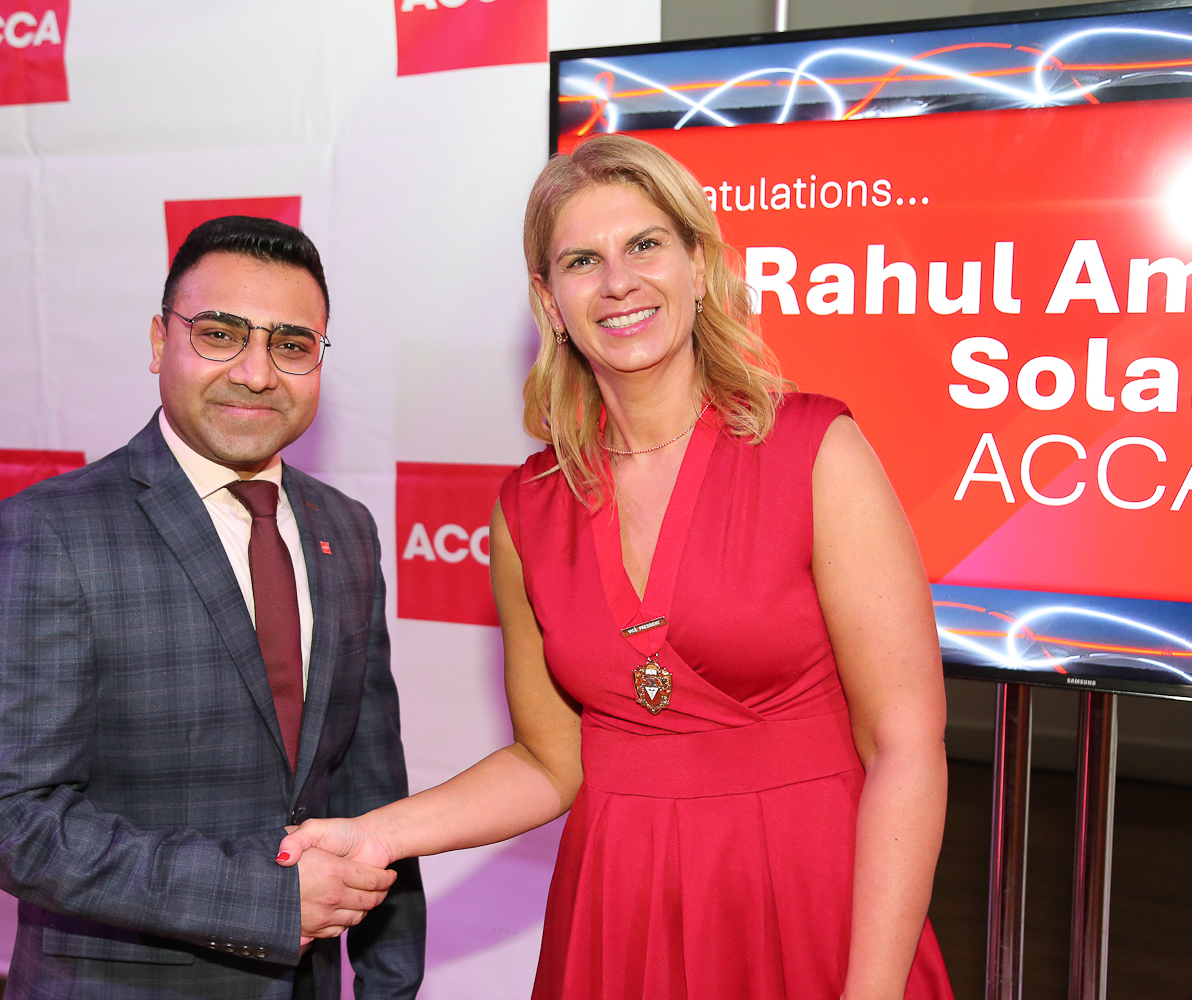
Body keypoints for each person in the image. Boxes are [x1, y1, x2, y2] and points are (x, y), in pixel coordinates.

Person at [276, 135, 953, 999]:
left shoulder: (814, 450)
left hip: (813, 900)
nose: (618, 282)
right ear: (550, 301)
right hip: (620, 915)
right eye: (582, 261)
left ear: (698, 266)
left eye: (645, 245)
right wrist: (379, 835)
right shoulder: (527, 510)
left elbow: (905, 745)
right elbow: (550, 763)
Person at [0, 215, 425, 1000]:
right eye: (220, 334)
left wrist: (389, 985)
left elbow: (372, 792)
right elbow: (5, 819)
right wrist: (263, 899)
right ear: (158, 341)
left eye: (291, 344)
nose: (256, 373)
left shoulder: (347, 529)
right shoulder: (50, 531)